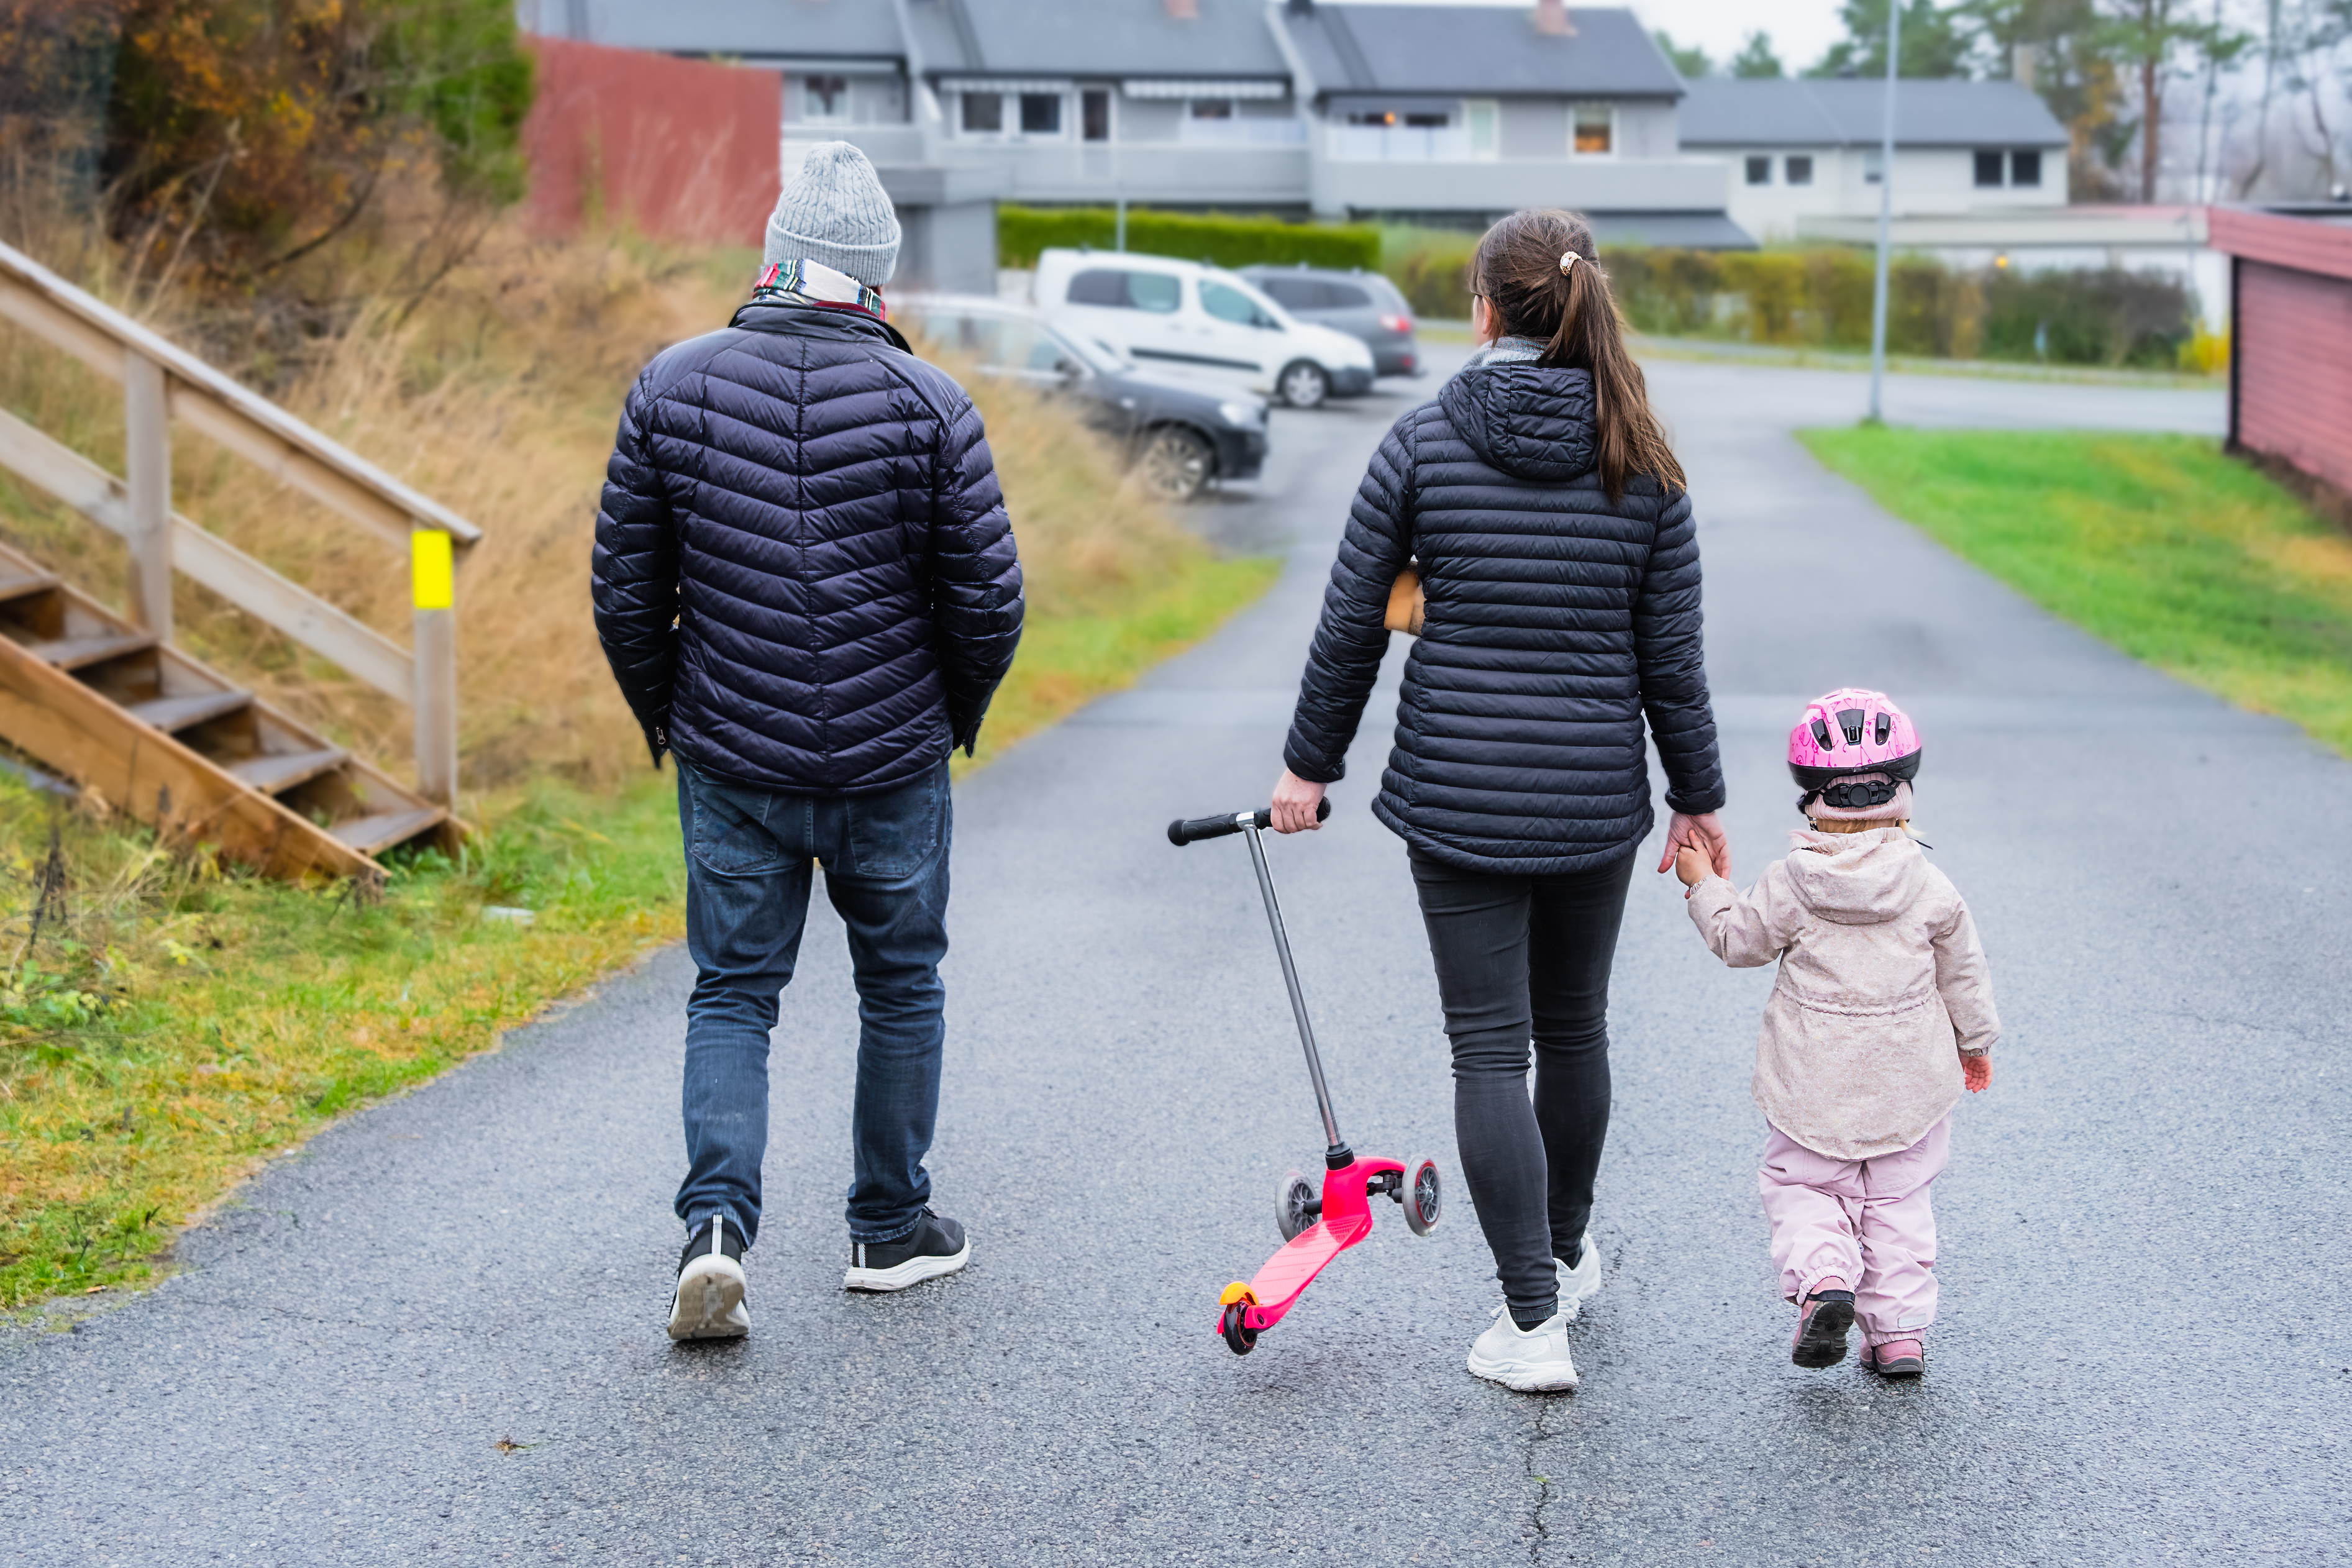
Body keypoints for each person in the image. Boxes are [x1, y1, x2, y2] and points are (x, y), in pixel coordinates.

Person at [1269, 209, 1728, 1393]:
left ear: (1483, 308)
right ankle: (1562, 1262)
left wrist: (1306, 768)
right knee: (1573, 1028)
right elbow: (1672, 661)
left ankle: (1530, 1322)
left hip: (1458, 801)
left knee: (1490, 1046)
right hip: (1592, 805)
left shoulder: (1420, 445)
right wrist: (1699, 796)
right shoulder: (1646, 460)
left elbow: (1348, 629)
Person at [591, 142, 1024, 1341]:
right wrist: (954, 715)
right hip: (892, 760)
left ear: (775, 258)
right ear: (877, 280)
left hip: (733, 755)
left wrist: (665, 713)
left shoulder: (671, 384)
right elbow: (988, 602)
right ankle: (890, 1227)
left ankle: (716, 1230)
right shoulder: (932, 401)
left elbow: (627, 592)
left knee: (734, 990)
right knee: (900, 984)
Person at [1673, 688, 2000, 1379]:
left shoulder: (1792, 881)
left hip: (1811, 1085)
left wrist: (1702, 883)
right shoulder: (1931, 885)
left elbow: (1739, 941)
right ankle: (1900, 1337)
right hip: (1911, 1086)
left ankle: (1825, 1282)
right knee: (1899, 1204)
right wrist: (1974, 1045)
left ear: (1811, 797)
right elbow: (1964, 974)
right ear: (1904, 791)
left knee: (1805, 1189)